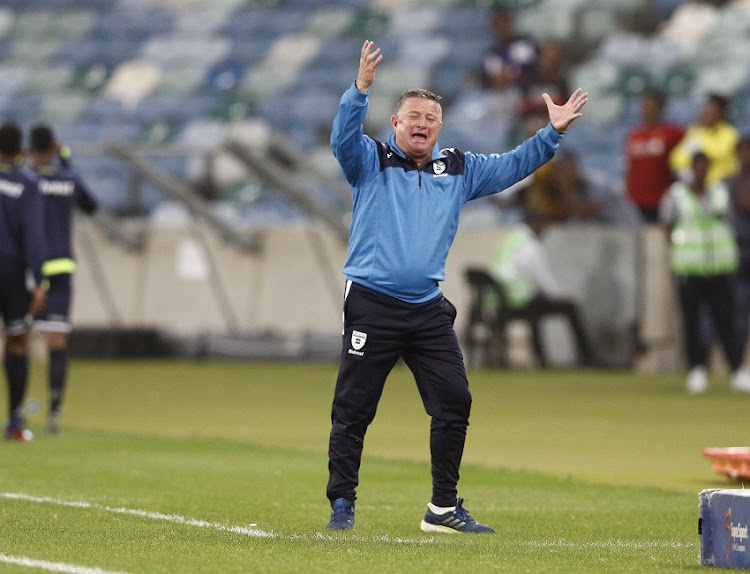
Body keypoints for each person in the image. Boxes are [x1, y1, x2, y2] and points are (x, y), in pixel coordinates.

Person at [325, 40, 587, 533]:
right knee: (354, 408)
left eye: (430, 117)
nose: (422, 123)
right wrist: (359, 91)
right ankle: (342, 503)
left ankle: (442, 508)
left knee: (455, 401)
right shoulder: (369, 160)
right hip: (372, 304)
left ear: (439, 128)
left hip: (426, 309)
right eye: (413, 116)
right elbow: (342, 139)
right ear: (396, 124)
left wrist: (549, 134)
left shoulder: (458, 169)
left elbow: (512, 166)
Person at [659, 151, 750, 394]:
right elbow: (667, 225)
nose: (701, 170)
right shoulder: (676, 195)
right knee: (692, 321)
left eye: (705, 166)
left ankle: (736, 369)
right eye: (697, 166)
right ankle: (697, 369)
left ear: (709, 168)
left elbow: (732, 220)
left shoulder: (720, 192)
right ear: (691, 168)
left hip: (720, 266)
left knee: (727, 320)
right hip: (689, 267)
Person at [27, 124, 99, 434]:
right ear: (54, 147)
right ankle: (54, 411)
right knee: (57, 342)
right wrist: (66, 158)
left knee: (16, 338)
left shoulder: (27, 181)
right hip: (62, 268)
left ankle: (16, 408)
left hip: (31, 267)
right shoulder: (68, 179)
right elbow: (92, 206)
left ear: (30, 149)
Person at [490, 211, 594, 368]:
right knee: (570, 308)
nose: (544, 230)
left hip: (500, 301)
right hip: (520, 299)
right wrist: (555, 295)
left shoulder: (511, 239)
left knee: (538, 306)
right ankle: (588, 358)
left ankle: (541, 357)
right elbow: (541, 276)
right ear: (535, 224)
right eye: (543, 226)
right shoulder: (530, 245)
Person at [0, 123, 47, 441]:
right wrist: (40, 281)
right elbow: (33, 236)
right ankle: (15, 421)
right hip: (12, 271)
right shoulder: (28, 184)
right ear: (22, 150)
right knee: (17, 341)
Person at [624, 90, 685, 223]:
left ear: (660, 108)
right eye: (644, 106)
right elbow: (628, 166)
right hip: (636, 200)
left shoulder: (673, 133)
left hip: (661, 199)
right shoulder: (634, 135)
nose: (646, 110)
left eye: (650, 106)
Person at [669, 93, 739, 185]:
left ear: (720, 114)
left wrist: (699, 145)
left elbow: (717, 154)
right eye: (705, 111)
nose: (707, 114)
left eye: (712, 112)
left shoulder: (729, 133)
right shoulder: (694, 131)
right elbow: (677, 158)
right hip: (697, 183)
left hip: (722, 183)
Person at [728, 136, 750, 353]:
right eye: (741, 151)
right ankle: (739, 363)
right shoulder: (728, 182)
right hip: (738, 252)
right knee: (738, 311)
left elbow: (745, 203)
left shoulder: (736, 182)